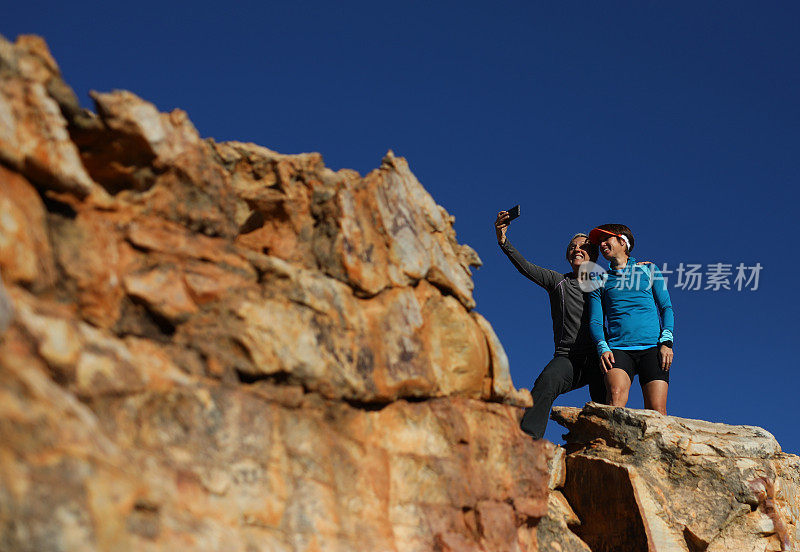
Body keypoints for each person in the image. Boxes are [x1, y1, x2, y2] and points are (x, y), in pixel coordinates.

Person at [495, 210, 605, 439]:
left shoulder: (604, 284)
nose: (577, 249)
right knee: (545, 384)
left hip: (599, 357)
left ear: (593, 256)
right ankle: (527, 443)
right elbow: (525, 267)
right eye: (573, 247)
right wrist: (503, 241)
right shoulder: (558, 282)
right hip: (568, 359)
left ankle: (603, 444)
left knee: (608, 400)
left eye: (583, 247)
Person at [587, 224, 674, 414]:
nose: (601, 244)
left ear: (622, 241)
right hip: (618, 349)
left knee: (657, 411)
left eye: (606, 239)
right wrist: (602, 347)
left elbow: (666, 307)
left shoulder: (649, 270)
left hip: (653, 348)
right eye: (599, 241)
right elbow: (595, 321)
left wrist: (667, 342)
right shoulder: (599, 281)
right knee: (615, 399)